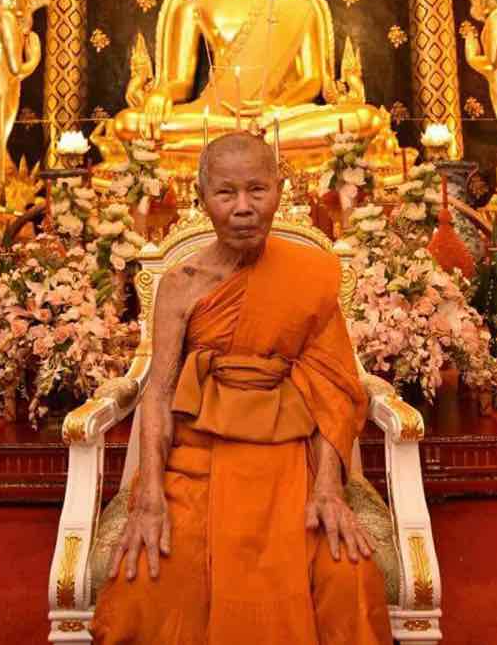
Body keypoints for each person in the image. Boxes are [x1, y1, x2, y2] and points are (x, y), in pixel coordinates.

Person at [91, 132, 392, 645]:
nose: (244, 208)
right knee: (146, 583)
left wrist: (327, 489)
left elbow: (333, 389)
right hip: (199, 459)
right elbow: (158, 393)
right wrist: (150, 499)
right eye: (226, 193)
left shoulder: (308, 274)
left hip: (292, 461)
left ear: (280, 189)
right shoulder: (181, 284)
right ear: (201, 198)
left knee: (348, 576)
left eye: (257, 189)